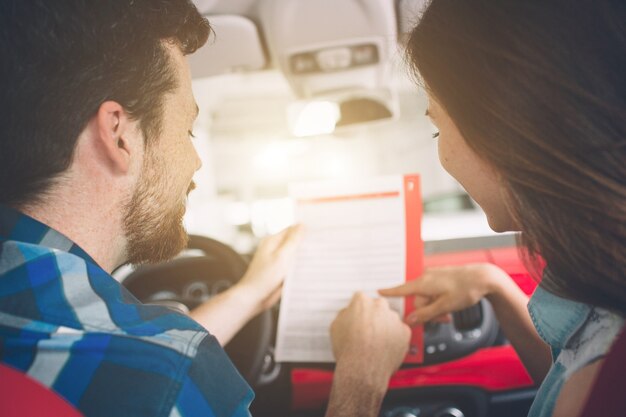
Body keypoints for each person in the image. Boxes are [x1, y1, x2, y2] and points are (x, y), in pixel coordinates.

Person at [0, 1, 410, 416]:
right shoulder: (165, 377)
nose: (197, 160)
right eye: (188, 128)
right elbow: (154, 363)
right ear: (118, 134)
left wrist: (250, 293)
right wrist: (362, 375)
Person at [370, 1, 625, 417]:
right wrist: (496, 287)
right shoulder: (603, 295)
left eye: (438, 127)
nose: (443, 154)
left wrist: (360, 385)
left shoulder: (605, 388)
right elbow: (564, 377)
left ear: (504, 128)